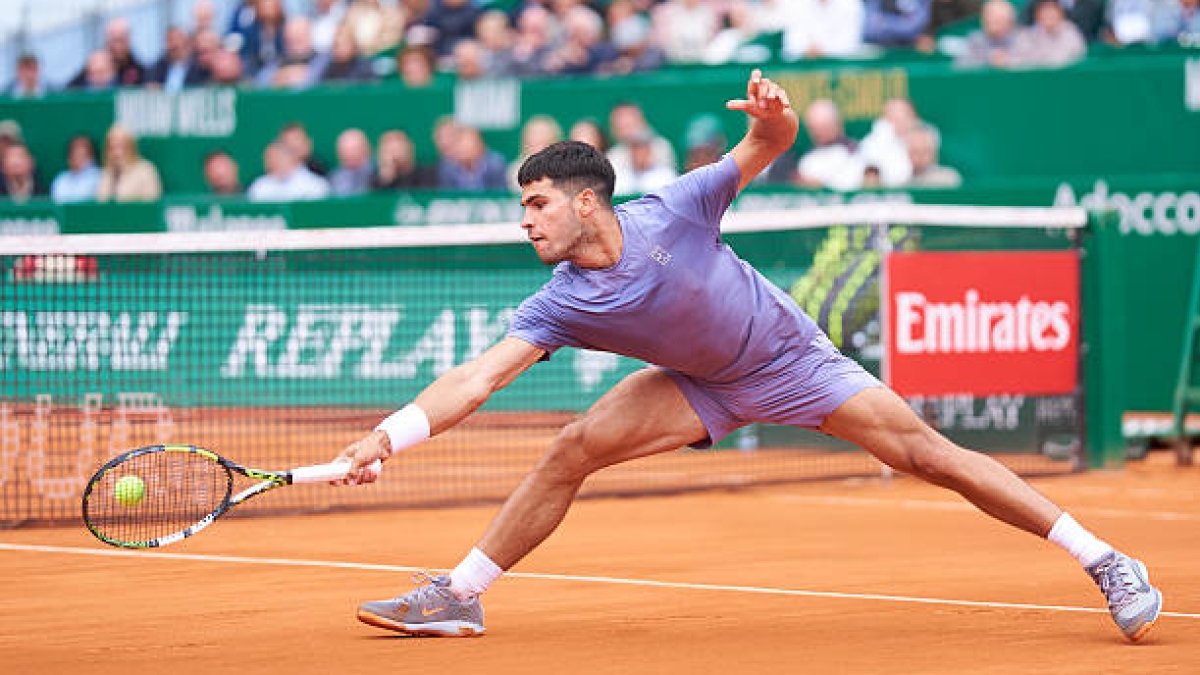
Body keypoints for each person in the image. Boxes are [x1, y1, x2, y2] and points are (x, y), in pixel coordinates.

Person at [333, 69, 1163, 642]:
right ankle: (460, 596)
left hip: (792, 360)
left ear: (588, 201)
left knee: (928, 454)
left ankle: (1106, 559)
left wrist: (773, 112)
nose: (526, 220)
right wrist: (387, 435)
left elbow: (770, 141)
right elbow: (478, 377)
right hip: (699, 384)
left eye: (537, 203)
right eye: (523, 206)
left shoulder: (680, 206)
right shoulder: (560, 298)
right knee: (570, 449)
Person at [96, 125, 162, 202]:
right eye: (112, 148)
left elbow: (152, 204)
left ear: (131, 147)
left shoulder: (145, 171)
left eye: (121, 147)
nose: (116, 153)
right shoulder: (106, 173)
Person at [50, 135, 103, 203]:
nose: (78, 157)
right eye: (75, 153)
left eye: (83, 153)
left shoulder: (100, 177)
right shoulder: (61, 179)